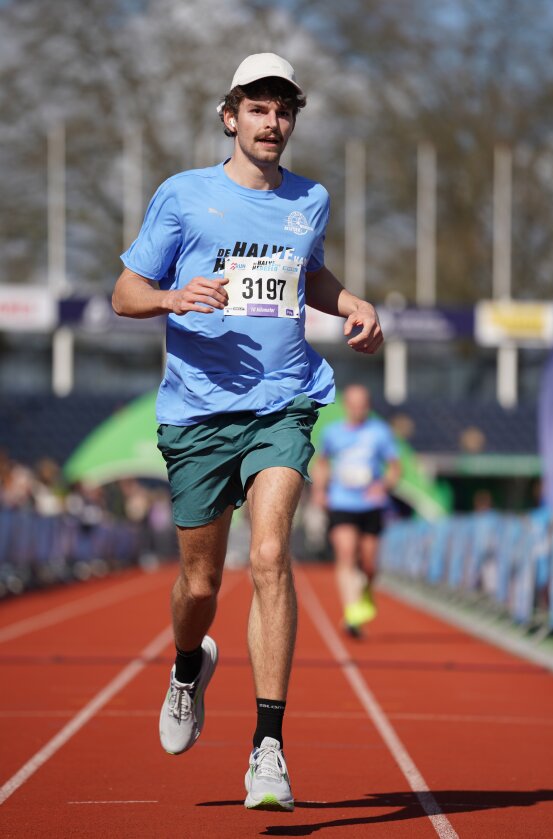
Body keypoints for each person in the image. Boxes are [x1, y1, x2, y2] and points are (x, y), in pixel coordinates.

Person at [112, 53, 383, 811]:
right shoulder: (184, 195)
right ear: (230, 116)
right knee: (200, 584)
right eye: (258, 109)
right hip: (198, 410)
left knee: (268, 556)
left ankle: (268, 747)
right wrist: (172, 297)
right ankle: (187, 665)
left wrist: (352, 303)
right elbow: (125, 292)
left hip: (283, 400)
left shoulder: (310, 199)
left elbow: (309, 273)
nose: (272, 122)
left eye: (283, 110)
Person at [312, 385, 400, 638]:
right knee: (346, 553)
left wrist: (383, 485)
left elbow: (395, 467)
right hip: (342, 502)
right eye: (353, 403)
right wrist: (320, 490)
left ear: (368, 405)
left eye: (362, 403)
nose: (358, 408)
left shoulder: (380, 432)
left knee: (369, 564)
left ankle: (366, 590)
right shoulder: (332, 432)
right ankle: (351, 612)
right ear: (346, 405)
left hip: (370, 504)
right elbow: (322, 462)